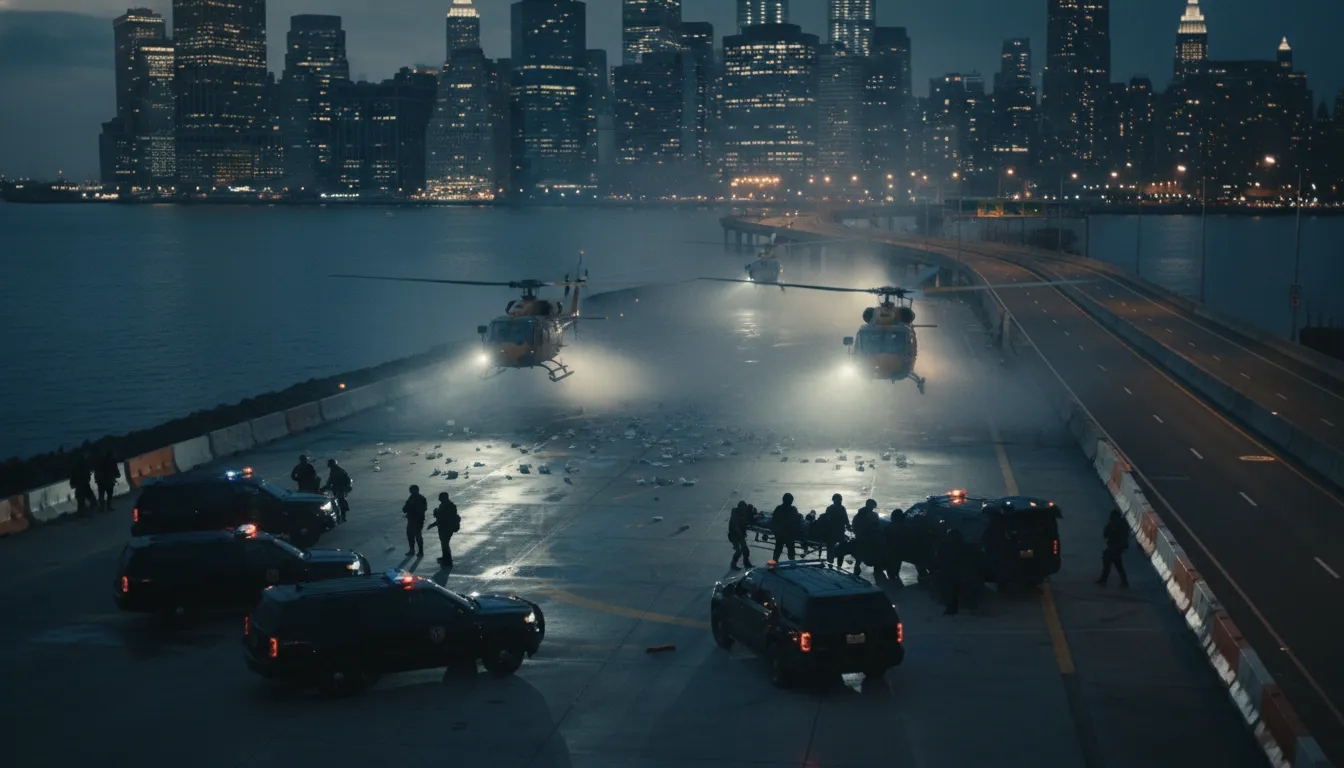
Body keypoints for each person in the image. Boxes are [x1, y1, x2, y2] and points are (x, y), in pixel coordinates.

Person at [936, 530, 969, 615]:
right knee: (953, 589)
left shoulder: (945, 545)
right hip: (954, 571)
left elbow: (939, 556)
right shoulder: (962, 545)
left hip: (949, 570)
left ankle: (951, 608)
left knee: (949, 590)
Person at [1097, 509, 1130, 587]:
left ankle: (1104, 579)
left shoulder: (1120, 525)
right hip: (1114, 546)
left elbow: (1122, 535)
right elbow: (1106, 533)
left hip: (1116, 547)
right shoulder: (1114, 525)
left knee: (1109, 561)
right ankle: (1123, 581)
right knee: (1117, 563)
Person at [427, 492, 460, 569]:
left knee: (445, 544)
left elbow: (442, 518)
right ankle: (445, 558)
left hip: (446, 528)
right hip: (445, 528)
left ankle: (447, 561)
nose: (439, 499)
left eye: (440, 497)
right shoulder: (447, 505)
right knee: (444, 544)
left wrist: (435, 513)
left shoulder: (447, 506)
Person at [851, 499, 882, 578]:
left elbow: (854, 526)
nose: (873, 508)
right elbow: (877, 526)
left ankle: (857, 567)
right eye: (872, 506)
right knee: (871, 553)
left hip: (864, 537)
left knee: (861, 553)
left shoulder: (860, 514)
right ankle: (875, 569)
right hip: (866, 537)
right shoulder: (871, 515)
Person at [818, 494, 850, 568]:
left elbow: (826, 520)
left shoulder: (830, 508)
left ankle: (831, 563)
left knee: (831, 548)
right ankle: (838, 565)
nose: (840, 501)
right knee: (840, 548)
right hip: (837, 532)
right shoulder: (842, 508)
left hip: (832, 533)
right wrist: (848, 527)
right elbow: (846, 520)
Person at [770, 493, 801, 561]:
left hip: (780, 534)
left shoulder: (778, 508)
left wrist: (775, 532)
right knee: (791, 553)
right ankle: (792, 566)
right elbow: (797, 520)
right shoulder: (793, 510)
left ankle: (773, 566)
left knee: (777, 551)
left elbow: (773, 520)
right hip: (789, 535)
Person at [323, 459, 353, 523]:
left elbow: (331, 480)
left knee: (339, 502)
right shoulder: (337, 470)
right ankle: (341, 516)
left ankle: (341, 516)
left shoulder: (338, 471)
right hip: (338, 489)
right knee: (339, 502)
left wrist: (326, 486)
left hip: (340, 488)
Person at [402, 484, 428, 558]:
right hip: (411, 520)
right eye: (411, 490)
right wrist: (408, 508)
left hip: (418, 521)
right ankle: (412, 550)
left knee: (417, 535)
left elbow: (424, 509)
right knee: (410, 535)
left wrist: (412, 508)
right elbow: (404, 509)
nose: (412, 491)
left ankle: (420, 551)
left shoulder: (421, 498)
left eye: (413, 490)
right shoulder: (411, 498)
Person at [728, 501, 754, 570]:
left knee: (745, 551)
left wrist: (751, 510)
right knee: (739, 551)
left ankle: (746, 563)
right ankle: (733, 564)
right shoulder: (735, 515)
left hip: (740, 535)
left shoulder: (741, 513)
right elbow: (735, 526)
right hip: (734, 536)